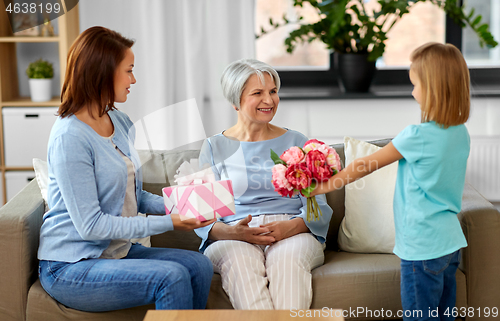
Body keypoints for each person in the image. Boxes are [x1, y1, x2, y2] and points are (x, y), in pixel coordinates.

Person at [37, 26, 215, 312]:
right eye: (129, 70)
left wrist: (185, 204)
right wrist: (172, 222)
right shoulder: (69, 137)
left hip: (116, 252)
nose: (134, 79)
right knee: (171, 277)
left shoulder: (119, 122)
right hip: (71, 265)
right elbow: (91, 226)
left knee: (199, 265)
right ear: (103, 72)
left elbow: (134, 197)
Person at [312, 42, 470, 321]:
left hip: (422, 247)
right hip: (450, 244)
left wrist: (326, 185)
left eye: (416, 84)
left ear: (432, 88)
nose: (413, 91)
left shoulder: (417, 135)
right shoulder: (460, 133)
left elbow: (365, 164)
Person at [195, 58, 333, 310]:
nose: (269, 101)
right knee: (239, 264)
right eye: (257, 93)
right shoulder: (214, 147)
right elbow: (203, 218)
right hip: (234, 233)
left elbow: (318, 208)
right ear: (235, 100)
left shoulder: (297, 141)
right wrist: (235, 232)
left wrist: (288, 228)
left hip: (292, 229)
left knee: (288, 263)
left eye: (273, 91)